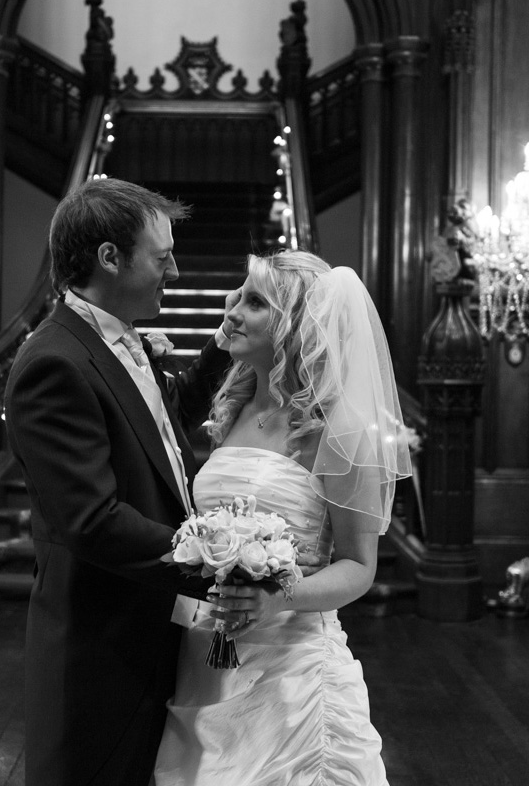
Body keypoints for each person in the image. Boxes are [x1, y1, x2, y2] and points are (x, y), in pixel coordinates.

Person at [4, 177, 233, 786]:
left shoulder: (115, 340)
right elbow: (92, 520)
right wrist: (215, 562)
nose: (176, 272)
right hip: (100, 646)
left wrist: (220, 349)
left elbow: (157, 431)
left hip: (152, 624)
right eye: (162, 258)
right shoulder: (54, 362)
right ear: (110, 257)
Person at [154, 250, 413, 786]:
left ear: (295, 324)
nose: (231, 310)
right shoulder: (235, 407)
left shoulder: (337, 429)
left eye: (254, 302)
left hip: (292, 673)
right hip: (205, 654)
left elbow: (359, 568)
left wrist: (277, 595)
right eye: (237, 295)